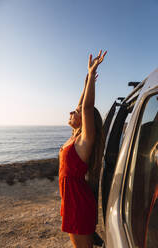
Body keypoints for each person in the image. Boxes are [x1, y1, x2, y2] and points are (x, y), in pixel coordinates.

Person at [59, 50, 107, 248]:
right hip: (72, 203)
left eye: (75, 112)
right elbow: (82, 105)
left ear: (85, 121)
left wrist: (93, 79)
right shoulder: (75, 136)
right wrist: (88, 77)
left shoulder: (85, 140)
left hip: (78, 205)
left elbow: (86, 107)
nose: (72, 111)